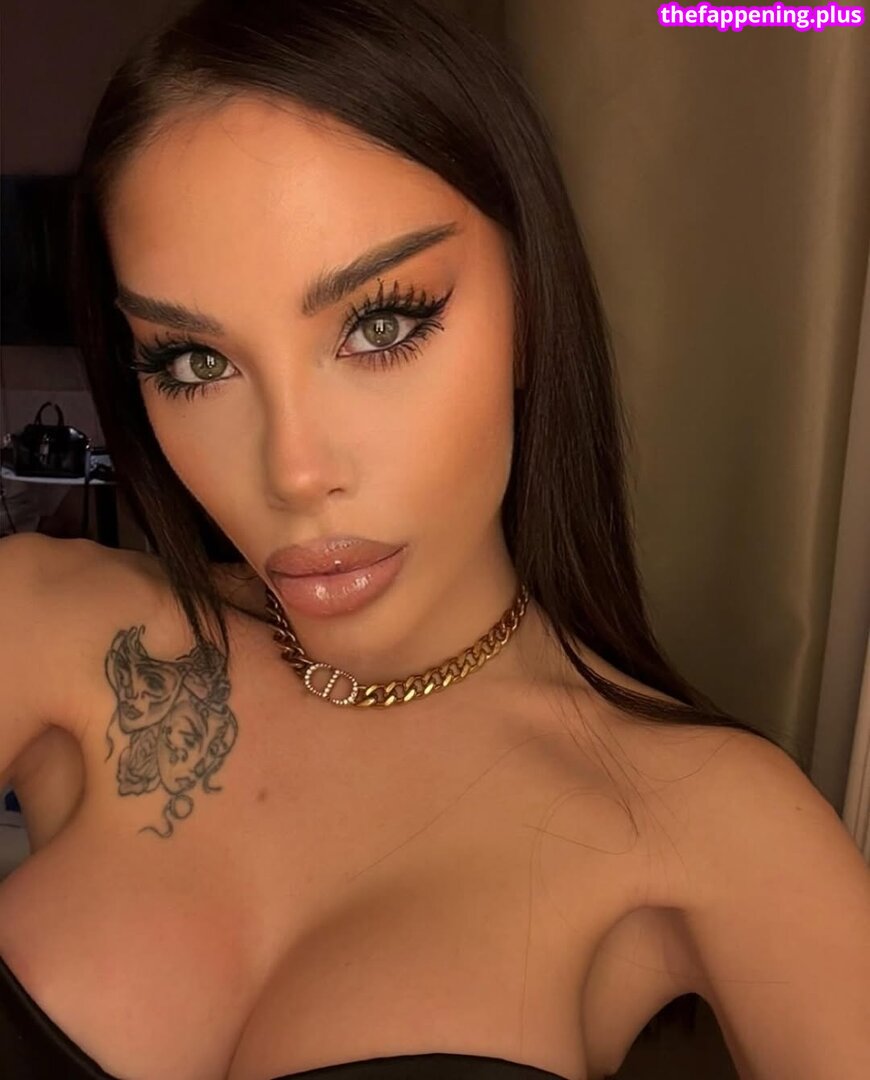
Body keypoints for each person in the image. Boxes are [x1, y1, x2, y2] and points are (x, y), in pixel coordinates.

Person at [1, 1, 868, 1078]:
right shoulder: (48, 625)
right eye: (194, 362)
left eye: (381, 325)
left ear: (531, 311)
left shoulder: (708, 820)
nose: (294, 471)